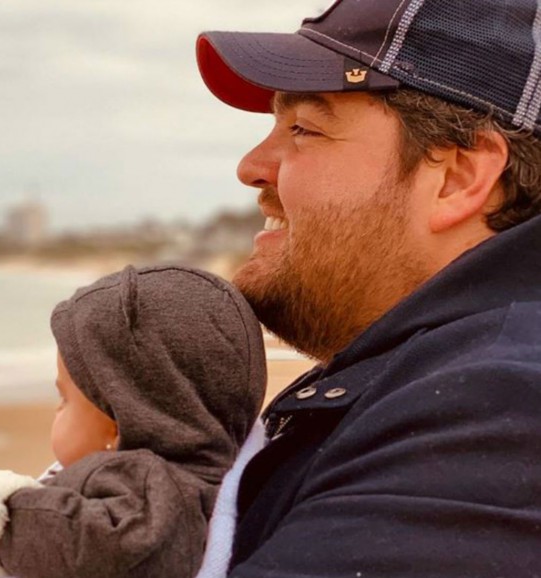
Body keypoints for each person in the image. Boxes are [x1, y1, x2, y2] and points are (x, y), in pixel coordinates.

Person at [195, 0, 541, 576]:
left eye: (304, 128)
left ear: (457, 178)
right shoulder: (431, 372)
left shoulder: (499, 407)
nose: (252, 166)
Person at [0, 265, 267, 578]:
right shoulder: (181, 478)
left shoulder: (148, 486)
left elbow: (97, 542)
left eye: (64, 399)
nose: (56, 411)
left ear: (117, 424)